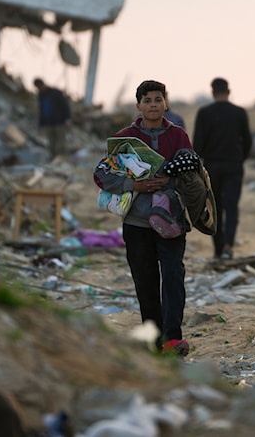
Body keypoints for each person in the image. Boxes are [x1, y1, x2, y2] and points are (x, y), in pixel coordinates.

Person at [94, 79, 193, 357]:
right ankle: (153, 339)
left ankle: (173, 339)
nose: (153, 105)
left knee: (173, 276)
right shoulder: (124, 138)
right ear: (138, 105)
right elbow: (101, 175)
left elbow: (194, 172)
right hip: (137, 223)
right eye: (147, 100)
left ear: (166, 103)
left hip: (171, 221)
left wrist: (170, 178)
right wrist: (134, 186)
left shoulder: (178, 137)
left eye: (158, 99)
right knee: (145, 281)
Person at [193, 77, 252, 260]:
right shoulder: (239, 112)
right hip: (233, 165)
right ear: (229, 91)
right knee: (232, 206)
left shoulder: (204, 113)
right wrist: (240, 159)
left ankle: (218, 249)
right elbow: (248, 141)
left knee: (215, 208)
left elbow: (197, 144)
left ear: (212, 92)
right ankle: (228, 245)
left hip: (211, 166)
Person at [33, 78, 71, 159]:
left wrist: (67, 119)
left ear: (43, 84)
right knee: (51, 145)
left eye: (40, 87)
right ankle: (54, 161)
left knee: (60, 144)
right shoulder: (41, 96)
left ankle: (62, 159)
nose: (39, 89)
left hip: (59, 122)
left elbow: (65, 106)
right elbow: (42, 111)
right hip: (49, 123)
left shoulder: (55, 93)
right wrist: (41, 125)